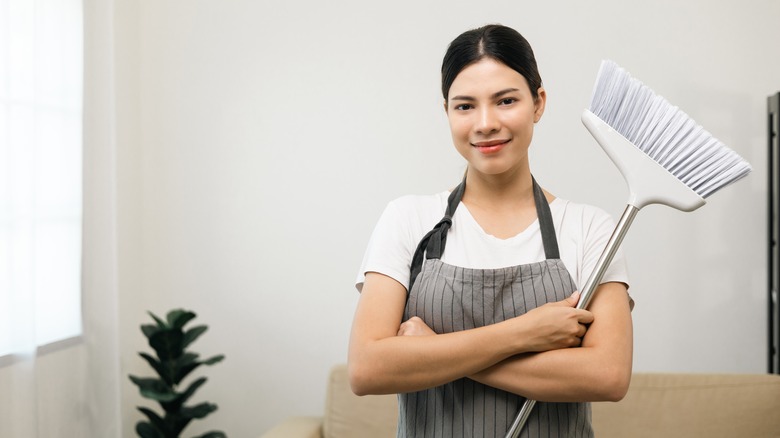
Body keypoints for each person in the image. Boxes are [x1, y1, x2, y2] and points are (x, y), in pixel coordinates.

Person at [348, 24, 633, 438]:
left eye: (506, 101)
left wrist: (431, 351)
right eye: (465, 106)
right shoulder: (408, 218)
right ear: (445, 111)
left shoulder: (589, 227)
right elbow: (367, 368)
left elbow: (607, 376)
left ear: (538, 103)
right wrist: (524, 333)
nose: (485, 123)